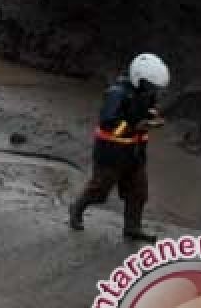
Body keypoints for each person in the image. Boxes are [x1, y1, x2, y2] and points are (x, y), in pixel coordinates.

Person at [69, 53, 170, 242]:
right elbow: (109, 123)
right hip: (111, 153)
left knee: (138, 192)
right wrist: (135, 126)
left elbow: (147, 110)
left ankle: (132, 227)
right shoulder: (116, 93)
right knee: (99, 190)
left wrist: (151, 118)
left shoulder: (146, 93)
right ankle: (77, 208)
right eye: (151, 86)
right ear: (138, 78)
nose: (153, 91)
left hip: (135, 153)